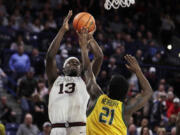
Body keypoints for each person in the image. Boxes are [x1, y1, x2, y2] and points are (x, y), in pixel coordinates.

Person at [78, 28, 153, 135]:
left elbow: (87, 72)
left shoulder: (97, 97)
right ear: (125, 94)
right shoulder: (125, 110)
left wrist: (84, 47)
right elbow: (148, 92)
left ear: (108, 88)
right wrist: (138, 71)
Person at [46, 11, 103, 135]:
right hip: (57, 129)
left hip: (80, 129)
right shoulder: (55, 80)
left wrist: (90, 39)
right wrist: (62, 30)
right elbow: (50, 57)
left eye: (77, 63)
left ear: (80, 69)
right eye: (70, 62)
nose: (74, 63)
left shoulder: (85, 80)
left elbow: (99, 57)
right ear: (63, 69)